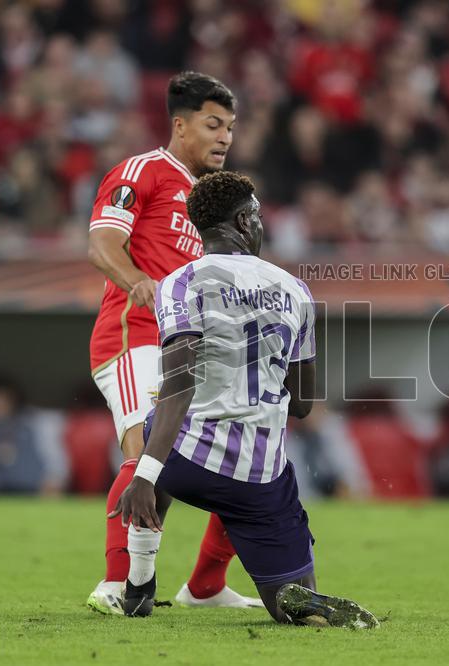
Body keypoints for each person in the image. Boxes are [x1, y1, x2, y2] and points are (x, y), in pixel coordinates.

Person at [110, 171, 377, 628]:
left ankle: (139, 584)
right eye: (257, 215)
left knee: (158, 420)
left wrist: (145, 474)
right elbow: (303, 405)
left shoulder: (181, 282)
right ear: (243, 220)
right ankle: (290, 598)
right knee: (286, 598)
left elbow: (179, 386)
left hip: (186, 461)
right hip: (259, 477)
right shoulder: (296, 290)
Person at [85, 71, 260, 614]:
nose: (225, 137)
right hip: (134, 336)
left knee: (244, 457)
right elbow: (101, 241)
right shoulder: (145, 171)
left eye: (230, 127)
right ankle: (117, 585)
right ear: (180, 125)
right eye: (214, 124)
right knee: (144, 458)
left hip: (192, 347)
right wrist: (135, 278)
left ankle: (205, 586)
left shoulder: (211, 201)